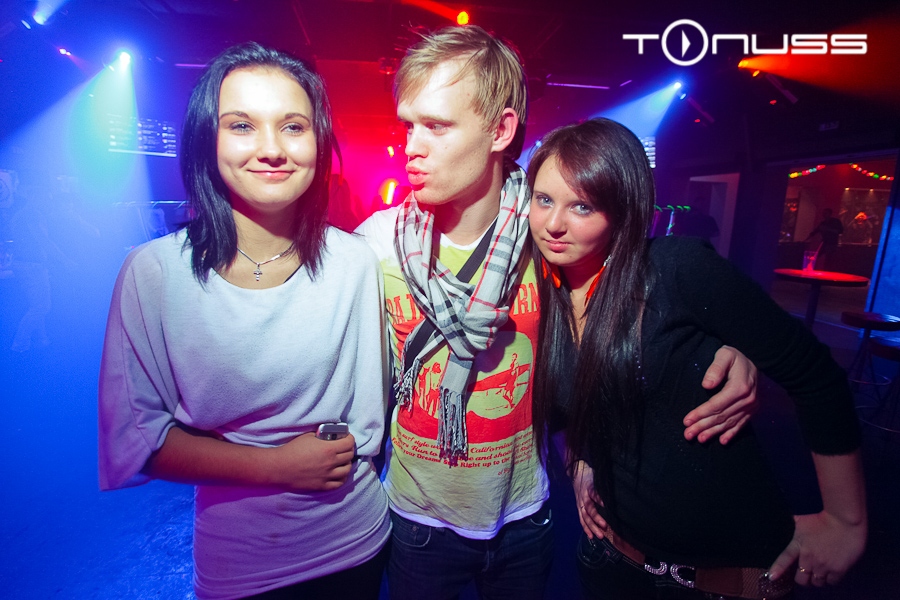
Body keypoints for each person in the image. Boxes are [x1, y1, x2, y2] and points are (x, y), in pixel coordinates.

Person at [356, 25, 759, 600]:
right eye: (408, 125)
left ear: (500, 131)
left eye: (437, 126)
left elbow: (634, 308)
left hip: (524, 517)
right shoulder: (376, 242)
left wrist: (722, 350)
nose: (412, 146)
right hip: (418, 522)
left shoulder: (547, 236)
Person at [528, 118, 867, 600]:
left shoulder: (674, 269)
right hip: (611, 562)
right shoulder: (542, 295)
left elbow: (816, 375)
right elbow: (568, 407)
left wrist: (845, 520)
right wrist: (580, 460)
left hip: (725, 579)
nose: (553, 224)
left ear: (623, 209)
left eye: (582, 205)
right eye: (544, 200)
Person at [98, 43, 390, 599]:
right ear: (207, 140)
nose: (272, 149)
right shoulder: (154, 273)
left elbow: (369, 423)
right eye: (241, 125)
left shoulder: (354, 262)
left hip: (356, 542)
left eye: (293, 127)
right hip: (239, 564)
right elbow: (140, 440)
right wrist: (277, 466)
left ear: (319, 141)